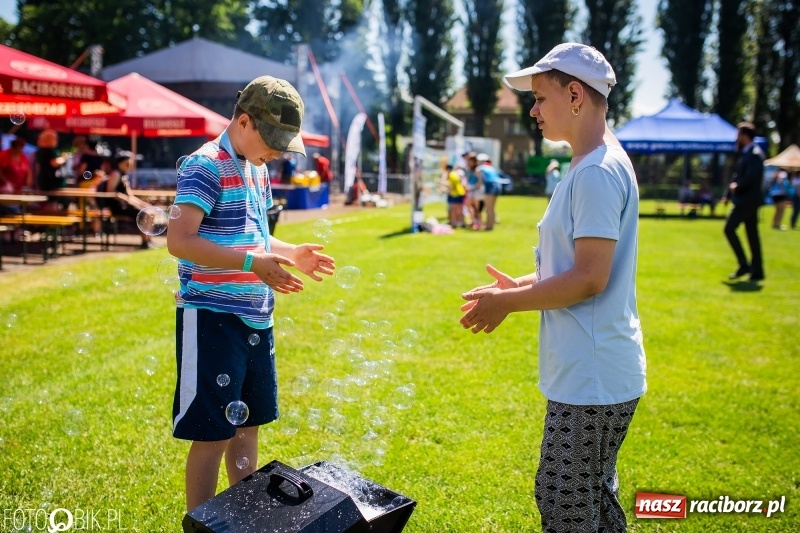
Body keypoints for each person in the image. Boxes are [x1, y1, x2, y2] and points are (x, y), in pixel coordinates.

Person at [459, 43, 646, 532]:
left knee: (565, 500)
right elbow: (573, 267)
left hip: (593, 376)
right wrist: (517, 286)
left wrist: (510, 303)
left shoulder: (597, 173)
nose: (534, 110)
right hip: (594, 371)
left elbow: (589, 277)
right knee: (591, 499)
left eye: (541, 97)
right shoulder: (592, 164)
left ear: (577, 95)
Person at [166, 75, 335, 512]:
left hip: (256, 317)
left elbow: (253, 237)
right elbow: (180, 240)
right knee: (212, 434)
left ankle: (245, 520)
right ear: (244, 122)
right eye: (274, 141)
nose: (279, 153)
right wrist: (250, 264)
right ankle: (201, 524)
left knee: (248, 427)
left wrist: (290, 252)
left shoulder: (256, 168)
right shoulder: (205, 165)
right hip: (211, 318)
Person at [722, 122, 765, 281]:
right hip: (748, 200)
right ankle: (757, 271)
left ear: (745, 136)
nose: (736, 138)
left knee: (729, 229)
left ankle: (744, 265)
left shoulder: (754, 154)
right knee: (752, 236)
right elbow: (737, 175)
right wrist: (728, 193)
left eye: (739, 135)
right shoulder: (747, 153)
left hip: (747, 201)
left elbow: (750, 178)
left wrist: (737, 187)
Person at [95, 153, 152, 248]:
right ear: (120, 163)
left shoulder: (123, 176)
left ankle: (148, 240)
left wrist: (143, 204)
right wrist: (127, 200)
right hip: (117, 207)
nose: (130, 165)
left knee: (149, 211)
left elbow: (130, 196)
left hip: (124, 205)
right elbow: (111, 191)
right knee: (144, 214)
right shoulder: (116, 174)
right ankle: (145, 242)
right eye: (128, 163)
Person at [476, 153, 501, 230]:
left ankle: (488, 226)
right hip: (498, 186)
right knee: (492, 208)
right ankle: (491, 224)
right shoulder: (491, 168)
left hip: (490, 186)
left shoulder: (479, 168)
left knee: (488, 208)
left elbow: (480, 181)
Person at [464, 152, 484, 230]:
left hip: (476, 191)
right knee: (470, 207)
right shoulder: (468, 169)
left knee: (477, 208)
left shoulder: (478, 170)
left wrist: (471, 187)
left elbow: (479, 182)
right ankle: (473, 222)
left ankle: (480, 223)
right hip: (470, 190)